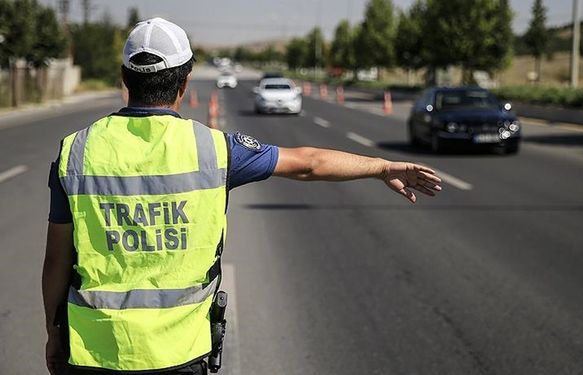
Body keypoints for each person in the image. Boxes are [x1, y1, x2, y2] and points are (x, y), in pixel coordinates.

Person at [42, 18, 442, 375]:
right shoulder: (214, 149)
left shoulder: (75, 152)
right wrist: (382, 167)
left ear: (125, 78)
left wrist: (54, 334)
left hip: (94, 353)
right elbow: (309, 163)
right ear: (185, 81)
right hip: (180, 352)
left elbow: (57, 260)